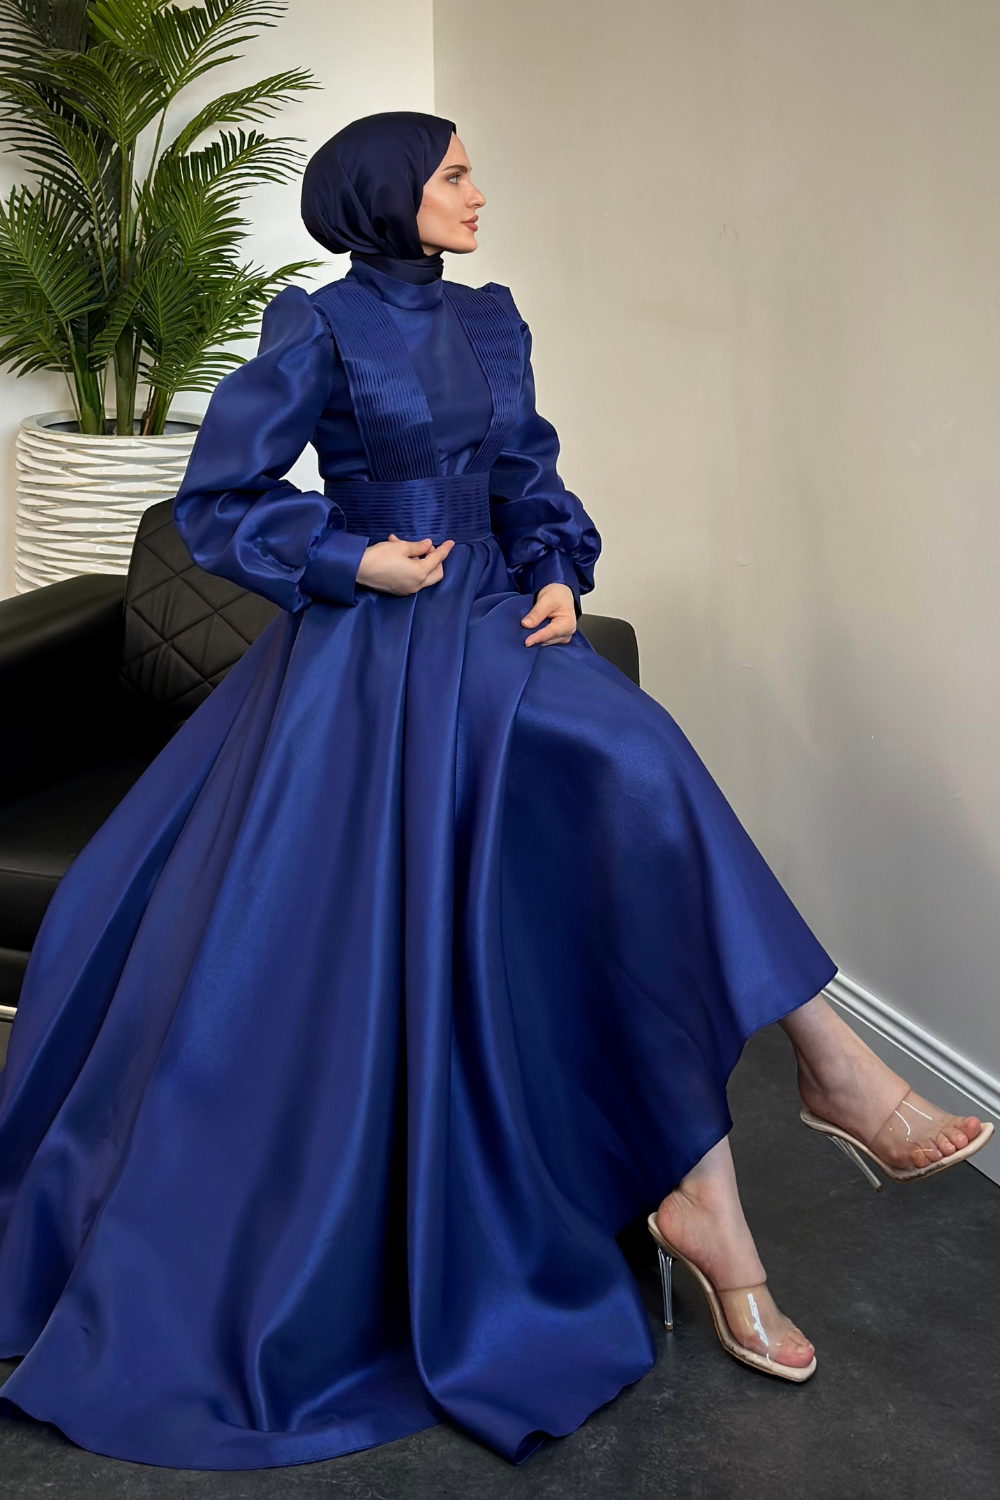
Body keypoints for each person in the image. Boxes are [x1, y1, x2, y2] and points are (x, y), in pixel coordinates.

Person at [0, 112, 989, 1470]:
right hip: (373, 657)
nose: (477, 191)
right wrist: (349, 557)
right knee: (636, 779)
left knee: (642, 771)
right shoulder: (314, 328)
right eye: (454, 173)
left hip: (497, 629)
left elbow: (528, 474)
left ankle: (782, 1121)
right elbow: (218, 500)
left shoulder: (492, 318)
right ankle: (796, 1118)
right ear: (387, 193)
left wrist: (558, 570)